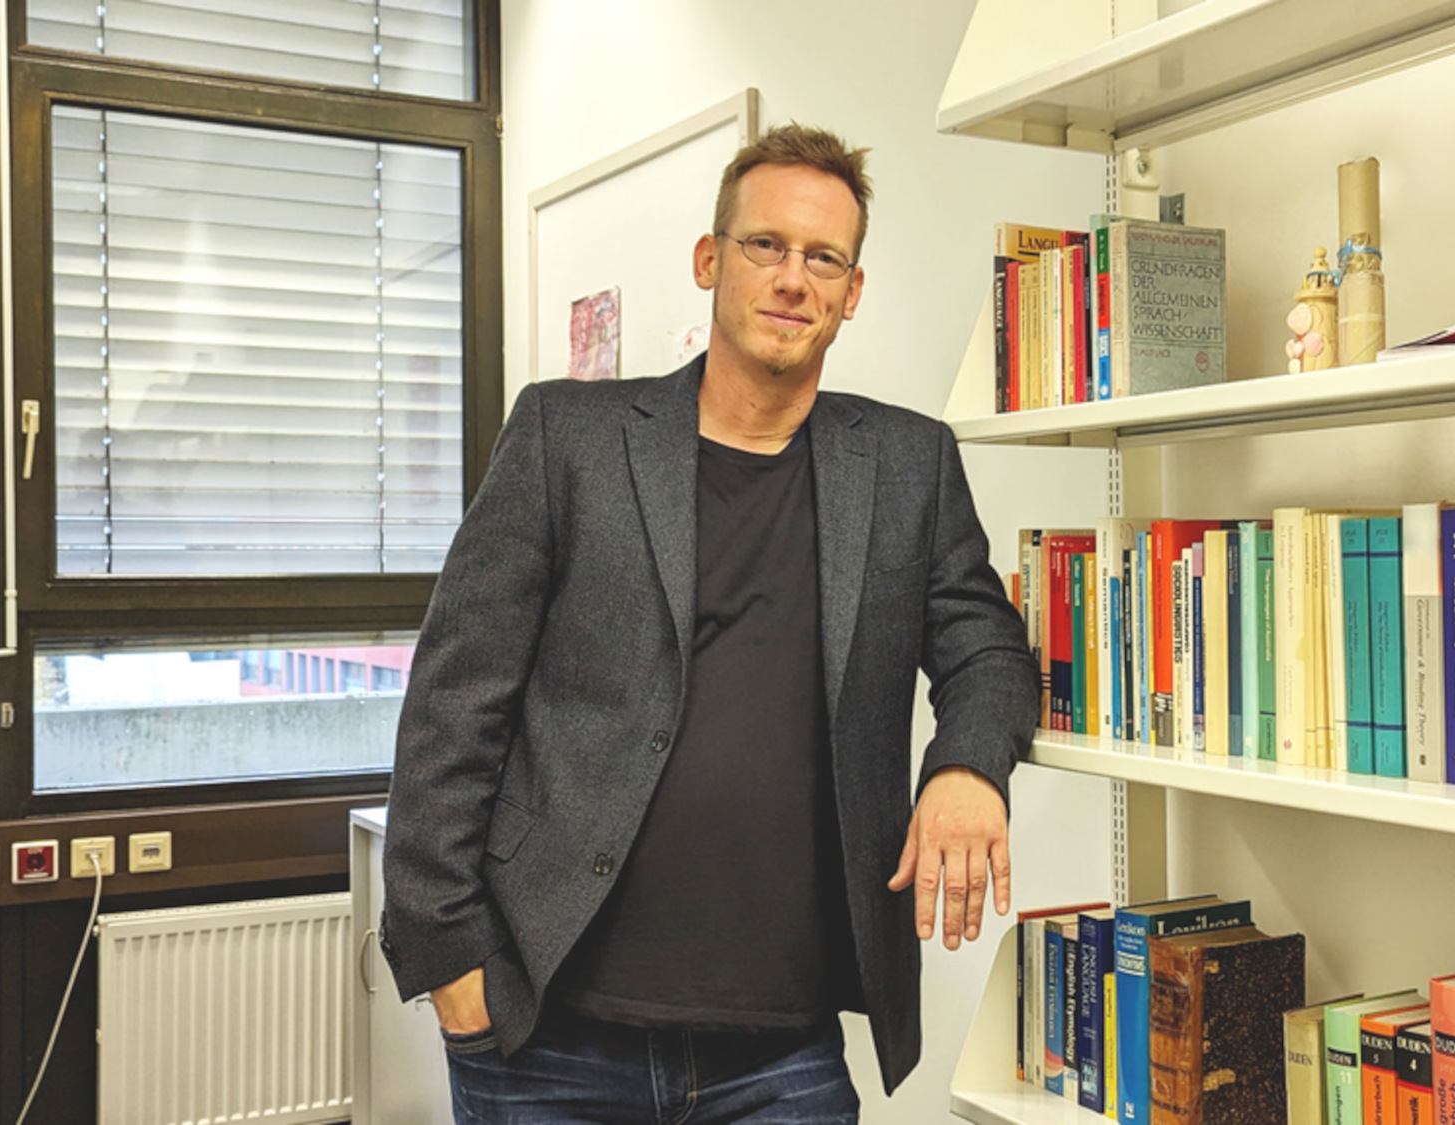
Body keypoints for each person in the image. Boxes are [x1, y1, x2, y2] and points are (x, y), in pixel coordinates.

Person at [379, 124, 1037, 1122]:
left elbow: (985, 646)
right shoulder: (569, 440)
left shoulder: (906, 465)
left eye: (823, 257)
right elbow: (453, 704)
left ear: (851, 293)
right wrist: (444, 953)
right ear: (709, 260)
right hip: (547, 1033)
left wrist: (964, 768)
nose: (791, 278)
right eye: (764, 245)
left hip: (782, 1051)